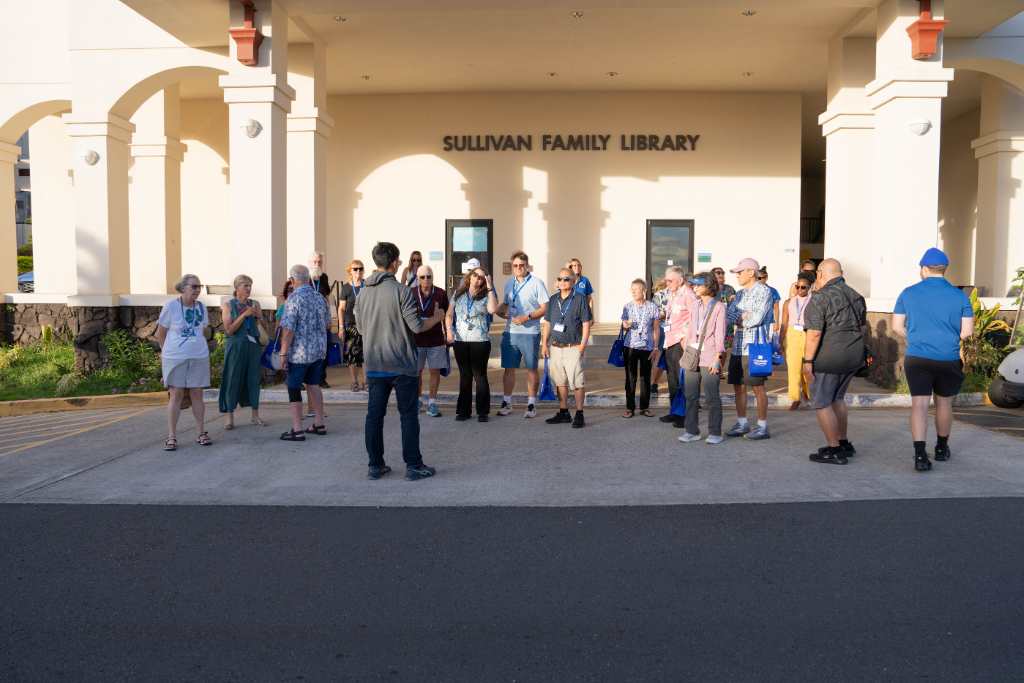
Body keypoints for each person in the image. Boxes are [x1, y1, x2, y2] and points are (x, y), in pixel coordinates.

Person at [355, 242, 444, 481]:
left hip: (374, 364)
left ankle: (375, 465)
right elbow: (416, 326)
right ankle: (413, 466)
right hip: (402, 364)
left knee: (374, 416)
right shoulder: (402, 291)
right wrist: (436, 317)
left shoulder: (363, 292)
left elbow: (361, 328)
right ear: (394, 262)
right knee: (408, 416)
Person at [892, 248, 974, 472]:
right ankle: (941, 448)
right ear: (944, 269)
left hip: (917, 357)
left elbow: (897, 326)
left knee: (919, 404)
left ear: (924, 269)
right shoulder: (959, 296)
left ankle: (920, 455)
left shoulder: (908, 293)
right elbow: (967, 332)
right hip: (948, 357)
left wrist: (916, 337)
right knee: (944, 402)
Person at [802, 258, 867, 465]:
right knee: (837, 399)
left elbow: (813, 334)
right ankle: (843, 442)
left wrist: (807, 361)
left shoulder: (820, 298)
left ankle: (834, 449)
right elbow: (862, 327)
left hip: (829, 356)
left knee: (821, 402)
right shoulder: (857, 296)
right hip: (853, 355)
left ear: (820, 274)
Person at [156, 274, 212, 451]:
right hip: (175, 357)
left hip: (198, 356)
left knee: (197, 394)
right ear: (183, 288)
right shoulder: (171, 306)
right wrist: (166, 353)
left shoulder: (201, 307)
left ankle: (201, 432)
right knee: (176, 394)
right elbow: (161, 333)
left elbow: (202, 330)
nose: (197, 290)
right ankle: (171, 436)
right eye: (194, 286)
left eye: (199, 287)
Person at [277, 264, 331, 442]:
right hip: (318, 351)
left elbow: (288, 329)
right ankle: (319, 423)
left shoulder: (293, 299)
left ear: (292, 280)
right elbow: (328, 324)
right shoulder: (320, 298)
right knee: (314, 384)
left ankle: (297, 429)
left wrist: (283, 353)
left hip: (299, 353)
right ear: (308, 279)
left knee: (294, 387)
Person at [724, 258, 773, 440]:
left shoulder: (763, 291)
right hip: (738, 346)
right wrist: (742, 316)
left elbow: (755, 319)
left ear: (751, 272)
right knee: (738, 386)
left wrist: (741, 317)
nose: (737, 275)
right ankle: (742, 422)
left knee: (758, 387)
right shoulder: (739, 294)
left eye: (740, 272)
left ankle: (762, 426)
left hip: (755, 347)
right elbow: (730, 316)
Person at [497, 251, 549, 418]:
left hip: (530, 333)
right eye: (515, 265)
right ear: (512, 267)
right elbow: (505, 305)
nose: (518, 268)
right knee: (508, 369)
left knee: (531, 369)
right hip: (510, 332)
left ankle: (531, 404)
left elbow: (544, 308)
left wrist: (526, 317)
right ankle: (507, 402)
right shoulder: (508, 283)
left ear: (527, 266)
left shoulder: (536, 283)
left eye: (521, 265)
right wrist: (499, 312)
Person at [677, 273, 727, 444]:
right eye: (693, 285)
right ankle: (691, 430)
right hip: (692, 354)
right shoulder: (694, 305)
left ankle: (715, 432)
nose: (695, 288)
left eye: (698, 285)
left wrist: (717, 358)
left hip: (710, 355)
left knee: (712, 396)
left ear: (708, 286)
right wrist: (686, 346)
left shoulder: (719, 307)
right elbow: (691, 328)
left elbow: (720, 334)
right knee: (690, 395)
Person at [541, 267, 593, 428]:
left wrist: (583, 345)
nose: (563, 282)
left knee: (577, 382)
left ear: (573, 281)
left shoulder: (580, 299)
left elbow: (586, 324)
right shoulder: (552, 299)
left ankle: (579, 413)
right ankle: (563, 412)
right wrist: (544, 343)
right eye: (560, 279)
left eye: (567, 279)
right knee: (560, 382)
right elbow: (548, 323)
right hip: (556, 347)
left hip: (573, 347)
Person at [446, 266, 499, 421]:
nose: (478, 278)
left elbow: (493, 309)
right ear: (470, 276)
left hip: (480, 341)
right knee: (465, 376)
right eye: (476, 275)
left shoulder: (486, 295)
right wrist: (449, 331)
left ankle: (482, 412)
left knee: (480, 376)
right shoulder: (458, 293)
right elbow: (449, 314)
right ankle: (463, 411)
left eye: (482, 277)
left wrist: (489, 287)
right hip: (461, 340)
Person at [218, 274, 265, 430]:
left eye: (250, 285)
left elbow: (264, 325)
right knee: (232, 378)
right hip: (236, 346)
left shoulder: (255, 304)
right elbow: (229, 330)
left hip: (253, 346)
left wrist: (258, 316)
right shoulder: (228, 306)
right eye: (245, 285)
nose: (249, 288)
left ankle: (255, 415)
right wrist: (244, 315)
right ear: (237, 288)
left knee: (253, 379)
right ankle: (229, 416)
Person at [659, 265, 696, 428]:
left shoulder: (688, 294)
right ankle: (675, 411)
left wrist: (685, 338)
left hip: (680, 343)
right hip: (669, 342)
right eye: (666, 280)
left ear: (680, 280)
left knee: (682, 380)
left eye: (670, 280)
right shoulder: (672, 294)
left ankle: (683, 415)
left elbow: (695, 318)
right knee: (672, 379)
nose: (667, 283)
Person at [620, 279, 661, 417]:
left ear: (644, 291)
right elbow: (624, 323)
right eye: (632, 289)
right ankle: (629, 408)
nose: (633, 291)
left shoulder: (653, 307)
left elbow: (656, 328)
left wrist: (656, 347)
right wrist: (625, 325)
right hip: (630, 346)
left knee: (645, 377)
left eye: (636, 289)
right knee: (630, 378)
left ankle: (645, 407)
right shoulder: (627, 306)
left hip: (647, 347)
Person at [413, 264, 450, 417]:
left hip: (436, 340)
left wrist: (448, 334)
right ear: (418, 278)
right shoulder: (411, 293)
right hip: (416, 341)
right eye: (422, 277)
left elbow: (447, 315)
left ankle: (432, 403)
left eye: (429, 276)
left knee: (434, 372)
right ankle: (417, 400)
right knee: (417, 373)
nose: (426, 279)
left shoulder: (441, 293)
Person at [780, 271, 815, 410]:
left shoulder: (813, 301)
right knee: (793, 369)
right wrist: (780, 340)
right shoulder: (788, 302)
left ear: (809, 287)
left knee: (808, 369)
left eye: (804, 287)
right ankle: (795, 398)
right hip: (792, 335)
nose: (800, 290)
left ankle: (810, 395)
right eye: (798, 287)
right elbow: (784, 322)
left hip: (808, 334)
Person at [338, 260, 367, 392]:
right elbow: (341, 309)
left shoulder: (367, 285)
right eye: (355, 269)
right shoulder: (346, 288)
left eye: (360, 269)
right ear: (350, 271)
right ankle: (354, 382)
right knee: (352, 355)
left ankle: (366, 382)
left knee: (365, 355)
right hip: (351, 325)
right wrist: (341, 327)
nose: (358, 271)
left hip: (366, 325)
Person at [309, 251, 333, 389]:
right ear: (309, 263)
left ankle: (321, 378)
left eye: (319, 262)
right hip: (309, 321)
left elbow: (327, 297)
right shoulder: (304, 277)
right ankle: (307, 379)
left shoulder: (324, 277)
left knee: (324, 349)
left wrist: (329, 317)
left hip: (322, 320)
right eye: (314, 262)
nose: (317, 264)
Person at [650, 278, 669, 396]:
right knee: (660, 357)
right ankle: (653, 384)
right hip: (663, 329)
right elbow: (654, 314)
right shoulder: (660, 295)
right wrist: (667, 313)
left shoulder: (684, 294)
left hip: (679, 331)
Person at [758, 267, 782, 337]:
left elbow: (776, 308)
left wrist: (776, 323)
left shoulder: (773, 291)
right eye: (756, 278)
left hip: (768, 323)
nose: (758, 280)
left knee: (768, 344)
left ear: (766, 278)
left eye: (760, 278)